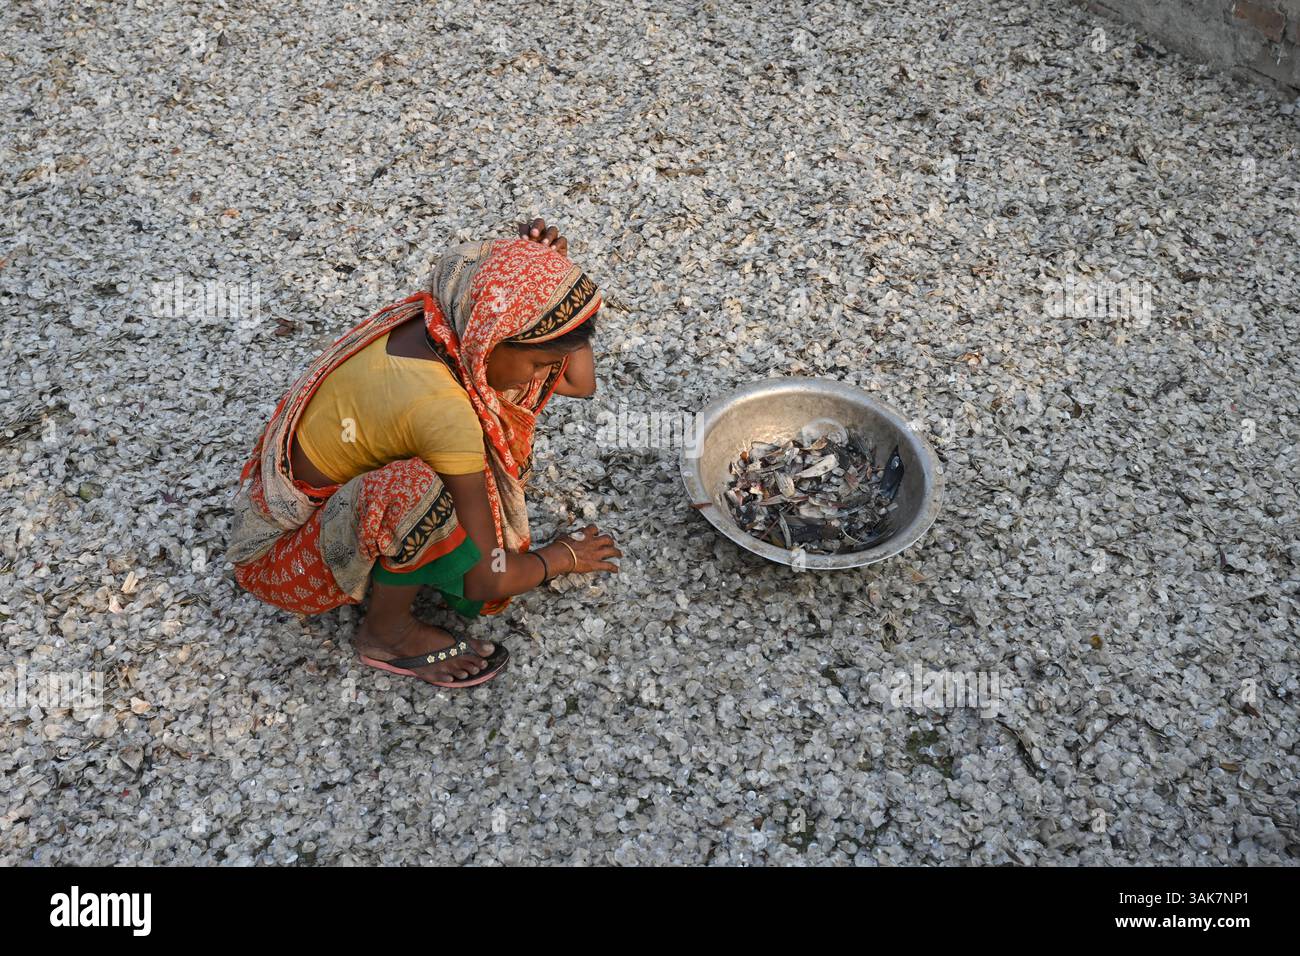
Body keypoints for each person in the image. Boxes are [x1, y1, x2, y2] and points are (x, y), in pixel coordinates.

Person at [225, 219, 622, 688]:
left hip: (299, 509)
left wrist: (556, 279)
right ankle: (387, 632)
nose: (548, 373)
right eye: (539, 360)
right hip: (280, 562)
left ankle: (394, 558)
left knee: (467, 443)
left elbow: (580, 382)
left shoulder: (440, 319)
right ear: (492, 336)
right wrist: (559, 557)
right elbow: (489, 577)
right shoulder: (445, 415)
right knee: (421, 491)